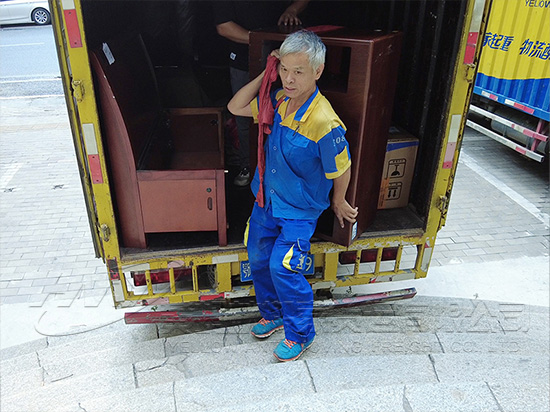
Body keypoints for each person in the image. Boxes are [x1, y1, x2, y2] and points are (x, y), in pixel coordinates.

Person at [227, 30, 358, 361]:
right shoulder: (278, 102)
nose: (289, 79)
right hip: (266, 202)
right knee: (258, 259)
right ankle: (273, 314)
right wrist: (267, 73)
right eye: (284, 69)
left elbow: (341, 167)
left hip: (298, 211)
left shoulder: (324, 122)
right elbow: (235, 105)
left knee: (284, 268)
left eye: (298, 71)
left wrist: (339, 200)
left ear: (318, 71)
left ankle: (301, 333)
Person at [214, 0, 309, 186]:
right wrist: (262, 40)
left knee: (288, 113)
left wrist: (292, 9)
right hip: (246, 58)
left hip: (286, 58)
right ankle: (248, 166)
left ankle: (284, 170)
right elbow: (224, 27)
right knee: (246, 118)